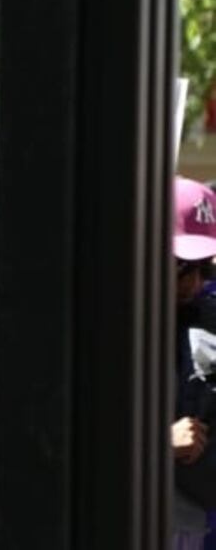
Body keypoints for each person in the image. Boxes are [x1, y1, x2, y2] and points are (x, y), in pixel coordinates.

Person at [170, 177, 216, 548]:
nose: (196, 283)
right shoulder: (100, 329)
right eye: (185, 267)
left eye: (206, 268)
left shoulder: (205, 320)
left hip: (189, 525)